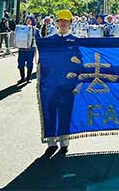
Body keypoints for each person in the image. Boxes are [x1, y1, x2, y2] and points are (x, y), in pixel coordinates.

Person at [44, 9, 77, 155]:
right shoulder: (49, 41)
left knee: (66, 112)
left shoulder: (76, 41)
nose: (63, 23)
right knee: (50, 111)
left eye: (66, 21)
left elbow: (80, 62)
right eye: (61, 21)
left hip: (68, 84)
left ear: (70, 23)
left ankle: (64, 141)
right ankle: (52, 142)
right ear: (57, 23)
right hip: (51, 83)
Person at [17, 16, 37, 84]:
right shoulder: (21, 28)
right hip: (22, 49)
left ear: (32, 21)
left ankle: (28, 78)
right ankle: (22, 78)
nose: (28, 22)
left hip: (30, 50)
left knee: (29, 64)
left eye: (30, 21)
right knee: (20, 64)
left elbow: (39, 38)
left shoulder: (35, 29)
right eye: (27, 20)